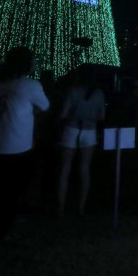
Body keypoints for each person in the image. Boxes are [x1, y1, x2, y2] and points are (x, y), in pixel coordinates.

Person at [0, 47, 49, 241]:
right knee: (11, 189)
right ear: (27, 64)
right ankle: (2, 230)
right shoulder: (30, 85)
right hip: (17, 145)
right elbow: (45, 106)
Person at [56, 68, 106, 217]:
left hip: (72, 128)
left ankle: (60, 208)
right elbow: (102, 116)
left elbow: (63, 113)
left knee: (65, 168)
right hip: (89, 131)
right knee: (84, 168)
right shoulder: (99, 93)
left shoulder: (72, 91)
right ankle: (81, 207)